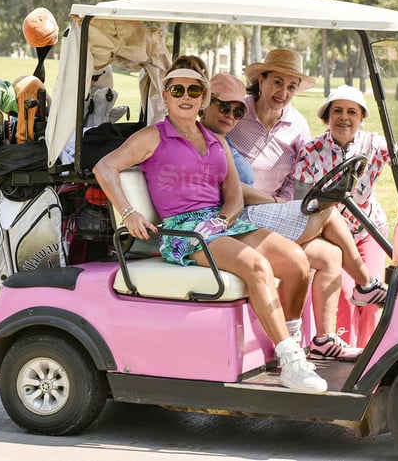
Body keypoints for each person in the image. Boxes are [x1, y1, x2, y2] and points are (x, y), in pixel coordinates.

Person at [93, 59, 327, 394]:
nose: (185, 97)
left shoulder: (216, 140)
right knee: (258, 267)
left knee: (297, 262)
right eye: (177, 90)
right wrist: (129, 213)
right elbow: (106, 167)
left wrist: (221, 220)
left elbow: (233, 196)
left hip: (220, 224)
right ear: (167, 95)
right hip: (182, 232)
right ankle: (291, 360)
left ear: (203, 97)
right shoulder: (153, 136)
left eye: (194, 90)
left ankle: (289, 345)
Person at [226, 51, 388, 352]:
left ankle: (324, 341)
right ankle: (366, 284)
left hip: (279, 214)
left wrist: (284, 205)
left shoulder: (297, 124)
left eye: (291, 87)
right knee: (327, 213)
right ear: (260, 81)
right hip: (245, 214)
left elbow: (294, 183)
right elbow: (228, 180)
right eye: (277, 82)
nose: (283, 93)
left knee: (330, 256)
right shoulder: (236, 115)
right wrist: (273, 201)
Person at [294, 85, 398, 347]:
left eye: (352, 112)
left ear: (361, 118)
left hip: (367, 230)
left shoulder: (373, 144)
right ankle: (346, 356)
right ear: (326, 117)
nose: (343, 117)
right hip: (331, 236)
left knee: (372, 301)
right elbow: (303, 203)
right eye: (336, 111)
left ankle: (370, 357)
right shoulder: (310, 150)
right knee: (346, 293)